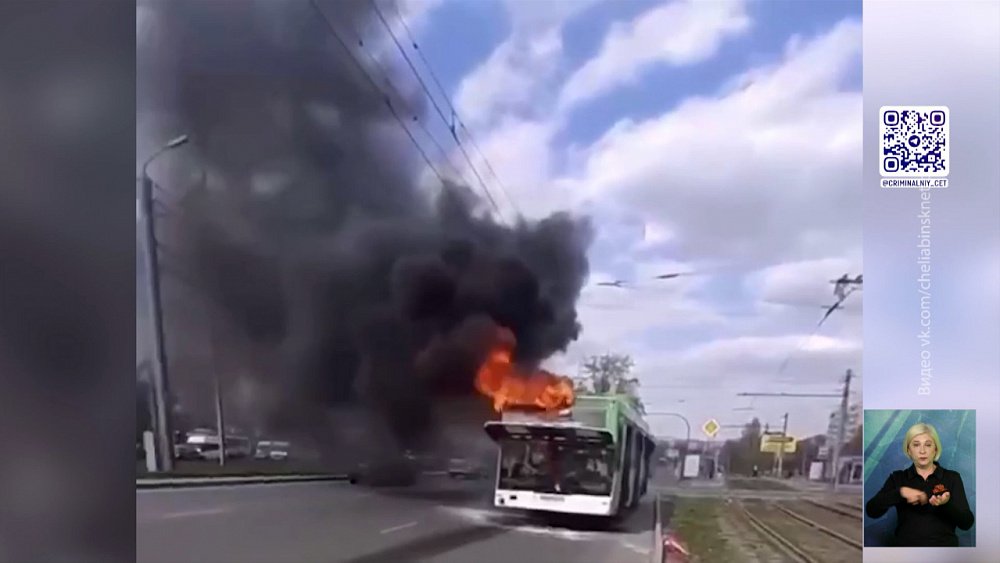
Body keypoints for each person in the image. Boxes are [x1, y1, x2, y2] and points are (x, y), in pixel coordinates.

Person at [865, 422, 974, 546]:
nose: (922, 450)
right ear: (909, 450)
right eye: (916, 445)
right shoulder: (897, 478)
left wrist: (946, 504)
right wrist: (900, 493)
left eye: (928, 445)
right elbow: (872, 510)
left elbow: (967, 523)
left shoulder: (952, 477)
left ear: (935, 449)